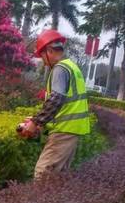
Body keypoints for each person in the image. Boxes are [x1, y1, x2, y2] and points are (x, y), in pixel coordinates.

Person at [17, 29, 90, 178]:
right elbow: (65, 103)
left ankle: (37, 202)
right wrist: (38, 122)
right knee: (58, 176)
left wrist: (35, 122)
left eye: (42, 55)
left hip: (64, 130)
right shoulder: (72, 67)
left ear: (49, 51)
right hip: (72, 129)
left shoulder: (59, 69)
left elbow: (56, 98)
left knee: (43, 172)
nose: (43, 61)